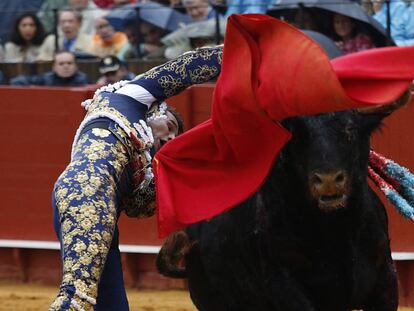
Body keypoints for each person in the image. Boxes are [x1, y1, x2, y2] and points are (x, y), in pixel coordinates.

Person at [49, 45, 222, 310]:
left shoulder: (143, 167)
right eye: (171, 127)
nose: (171, 137)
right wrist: (238, 54)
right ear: (157, 110)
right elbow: (189, 67)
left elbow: (137, 208)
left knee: (113, 307)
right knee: (76, 299)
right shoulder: (128, 97)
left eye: (176, 137)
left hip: (102, 208)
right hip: (84, 188)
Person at [10, 51, 90, 86]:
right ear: (54, 67)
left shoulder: (84, 80)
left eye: (69, 63)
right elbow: (17, 82)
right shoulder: (46, 78)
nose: (66, 66)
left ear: (76, 66)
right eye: (61, 64)